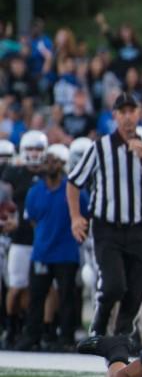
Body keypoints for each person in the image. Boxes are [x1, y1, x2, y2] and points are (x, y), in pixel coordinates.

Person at [67, 92, 142, 337]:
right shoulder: (100, 147)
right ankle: (100, 323)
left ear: (139, 113)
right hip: (107, 228)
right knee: (114, 286)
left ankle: (121, 340)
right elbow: (73, 182)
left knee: (135, 294)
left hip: (138, 228)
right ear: (114, 116)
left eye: (131, 111)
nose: (127, 117)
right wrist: (75, 217)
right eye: (122, 112)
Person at [15, 145, 88, 351]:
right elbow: (33, 221)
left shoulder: (74, 191)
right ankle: (32, 336)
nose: (50, 164)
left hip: (66, 253)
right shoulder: (34, 191)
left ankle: (65, 337)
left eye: (55, 160)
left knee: (66, 298)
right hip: (42, 253)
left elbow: (84, 216)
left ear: (64, 164)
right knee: (36, 296)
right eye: (48, 160)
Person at [1, 131, 48, 347]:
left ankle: (27, 328)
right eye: (31, 148)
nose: (35, 153)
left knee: (34, 289)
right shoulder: (13, 173)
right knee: (16, 286)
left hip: (41, 239)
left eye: (39, 149)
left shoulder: (49, 174)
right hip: (19, 239)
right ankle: (11, 328)